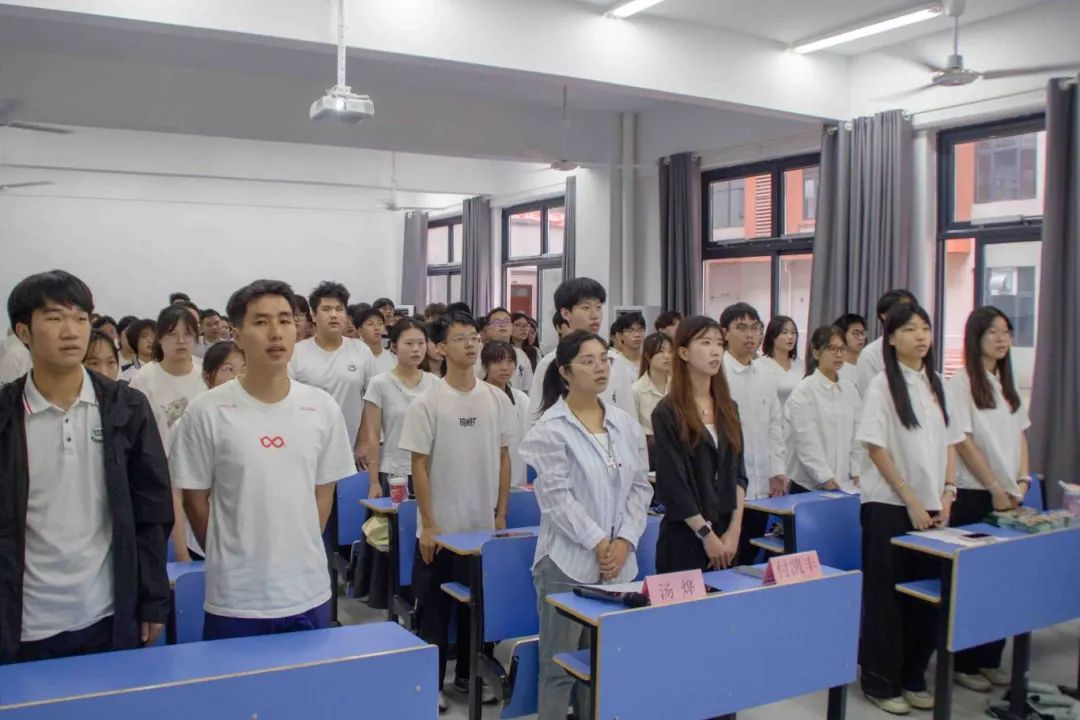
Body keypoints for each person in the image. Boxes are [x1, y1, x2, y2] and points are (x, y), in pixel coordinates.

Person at [0, 270, 173, 663]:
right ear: (24, 332)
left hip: (107, 614)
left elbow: (151, 512)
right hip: (23, 621)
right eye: (54, 318)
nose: (71, 331)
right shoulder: (7, 416)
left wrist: (152, 600)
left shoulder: (126, 408)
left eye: (80, 318)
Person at [171, 279, 355, 641]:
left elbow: (324, 492)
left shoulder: (321, 407)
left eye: (285, 320)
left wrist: (297, 546)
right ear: (237, 334)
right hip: (236, 597)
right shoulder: (206, 411)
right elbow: (195, 498)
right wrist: (229, 553)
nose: (276, 332)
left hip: (307, 589)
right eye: (261, 321)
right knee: (235, 679)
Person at [520, 330, 652, 720]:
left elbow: (640, 487)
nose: (600, 368)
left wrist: (624, 541)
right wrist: (598, 543)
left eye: (604, 359)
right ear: (565, 371)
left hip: (619, 565)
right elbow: (556, 499)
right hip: (566, 563)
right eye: (588, 361)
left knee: (604, 665)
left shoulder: (624, 423)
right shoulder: (550, 428)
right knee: (559, 668)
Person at [398, 309, 516, 712]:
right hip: (440, 529)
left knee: (476, 612)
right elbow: (418, 465)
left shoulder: (495, 398)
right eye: (460, 338)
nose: (470, 345)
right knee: (432, 611)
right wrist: (429, 524)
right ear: (441, 348)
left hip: (481, 528)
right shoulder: (427, 401)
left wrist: (501, 514)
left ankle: (468, 675)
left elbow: (504, 458)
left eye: (473, 337)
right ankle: (429, 682)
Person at [857, 302, 961, 714]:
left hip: (933, 506)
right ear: (892, 338)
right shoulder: (883, 384)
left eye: (925, 329)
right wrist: (911, 499)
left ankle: (913, 675)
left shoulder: (937, 383)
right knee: (886, 597)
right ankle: (880, 681)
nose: (920, 337)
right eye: (910, 329)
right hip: (888, 504)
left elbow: (950, 442)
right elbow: (875, 446)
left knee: (924, 597)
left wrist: (949, 491)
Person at [945, 306, 1031, 691]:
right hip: (975, 496)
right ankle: (965, 663)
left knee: (1003, 582)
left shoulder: (1007, 384)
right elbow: (962, 441)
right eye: (993, 332)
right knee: (975, 584)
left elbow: (1021, 434)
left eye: (1006, 331)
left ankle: (991, 658)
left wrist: (1022, 480)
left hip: (1010, 497)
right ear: (975, 336)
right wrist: (994, 486)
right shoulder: (961, 382)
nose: (1002, 338)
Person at [652, 316, 746, 573]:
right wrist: (706, 534)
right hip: (685, 537)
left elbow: (739, 475)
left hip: (727, 537)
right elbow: (674, 484)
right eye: (705, 343)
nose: (715, 351)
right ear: (684, 352)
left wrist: (734, 531)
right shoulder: (667, 412)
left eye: (719, 343)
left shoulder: (729, 408)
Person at [130, 305, 208, 563]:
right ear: (160, 338)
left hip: (200, 476)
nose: (181, 341)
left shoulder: (204, 375)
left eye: (188, 334)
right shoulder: (143, 380)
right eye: (172, 334)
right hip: (160, 477)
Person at [719, 303, 787, 565]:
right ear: (725, 333)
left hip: (761, 486)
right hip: (727, 487)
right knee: (726, 558)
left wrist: (777, 470)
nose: (750, 334)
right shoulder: (718, 373)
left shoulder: (766, 374)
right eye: (741, 327)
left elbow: (775, 426)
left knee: (752, 556)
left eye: (755, 327)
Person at [527, 278, 634, 427]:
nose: (595, 315)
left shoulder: (615, 362)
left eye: (598, 307)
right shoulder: (551, 363)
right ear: (566, 313)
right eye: (586, 308)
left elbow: (629, 416)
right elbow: (535, 418)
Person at [288, 282, 374, 456]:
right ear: (313, 315)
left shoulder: (361, 350)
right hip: (307, 444)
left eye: (339, 309)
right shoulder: (297, 352)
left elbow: (371, 400)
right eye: (326, 309)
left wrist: (364, 441)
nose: (333, 315)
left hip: (350, 445)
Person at [359, 318, 436, 498]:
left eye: (421, 343)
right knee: (395, 516)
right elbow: (373, 436)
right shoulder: (379, 383)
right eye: (409, 343)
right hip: (394, 472)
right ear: (394, 346)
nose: (416, 349)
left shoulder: (435, 383)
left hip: (429, 471)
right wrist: (373, 482)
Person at [786, 326, 864, 494]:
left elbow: (857, 437)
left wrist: (857, 471)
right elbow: (805, 440)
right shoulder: (803, 391)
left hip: (844, 484)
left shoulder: (850, 390)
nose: (838, 354)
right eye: (832, 348)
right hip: (808, 485)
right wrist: (824, 476)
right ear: (816, 353)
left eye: (842, 349)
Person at [481, 340, 531, 488]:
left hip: (516, 480)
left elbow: (531, 434)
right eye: (497, 362)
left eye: (509, 361)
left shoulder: (521, 399)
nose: (504, 367)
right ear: (485, 366)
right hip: (483, 482)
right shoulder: (475, 397)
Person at [857, 290, 918, 397]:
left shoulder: (919, 348)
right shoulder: (870, 355)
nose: (910, 316)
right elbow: (869, 397)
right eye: (903, 310)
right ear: (884, 315)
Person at [632, 331, 672, 463]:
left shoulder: (678, 387)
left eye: (670, 351)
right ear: (648, 356)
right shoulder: (636, 390)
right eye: (661, 351)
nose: (667, 356)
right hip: (649, 452)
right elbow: (633, 431)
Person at [481, 308, 533, 393]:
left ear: (511, 327)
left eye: (506, 321)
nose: (502, 325)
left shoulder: (521, 355)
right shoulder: (479, 354)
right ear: (488, 329)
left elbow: (528, 387)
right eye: (496, 322)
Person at [758, 315, 803, 407]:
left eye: (793, 332)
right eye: (784, 332)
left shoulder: (801, 364)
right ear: (772, 336)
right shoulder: (761, 364)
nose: (790, 337)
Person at [609, 312, 646, 388]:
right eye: (630, 331)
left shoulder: (649, 361)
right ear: (619, 335)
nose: (637, 335)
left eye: (640, 330)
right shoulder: (614, 362)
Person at [356, 307, 396, 375]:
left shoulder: (394, 359)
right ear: (359, 330)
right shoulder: (354, 357)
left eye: (380, 324)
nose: (377, 328)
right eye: (370, 324)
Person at [834, 313, 867, 388]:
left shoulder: (867, 364)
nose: (861, 338)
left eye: (863, 333)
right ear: (842, 335)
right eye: (856, 333)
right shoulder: (835, 367)